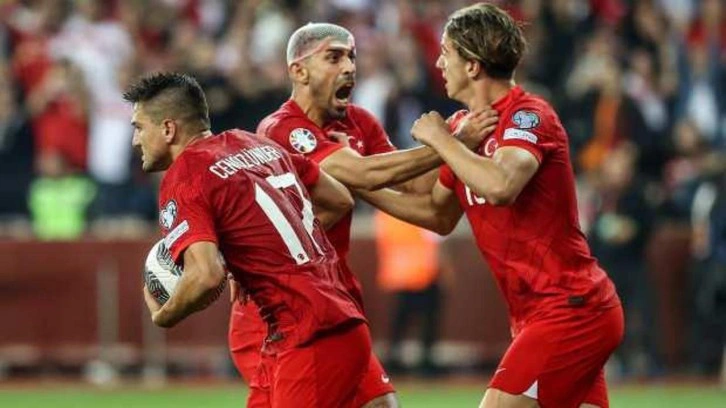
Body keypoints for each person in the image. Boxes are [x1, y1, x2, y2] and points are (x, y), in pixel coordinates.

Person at [362, 4, 624, 408]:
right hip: (539, 314)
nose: (438, 63)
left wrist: (443, 141)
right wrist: (356, 183)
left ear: (472, 65)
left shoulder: (529, 116)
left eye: (446, 53)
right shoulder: (464, 129)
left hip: (570, 308)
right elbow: (437, 213)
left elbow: (501, 185)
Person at [228, 22, 498, 408]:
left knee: (380, 404)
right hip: (275, 313)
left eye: (352, 57)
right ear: (298, 71)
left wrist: (459, 148)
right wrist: (449, 144)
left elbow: (418, 188)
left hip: (330, 303)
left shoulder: (359, 123)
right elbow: (363, 173)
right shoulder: (280, 129)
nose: (349, 67)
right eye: (334, 57)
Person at [127, 72, 370, 408]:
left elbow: (205, 275)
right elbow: (339, 200)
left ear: (168, 129)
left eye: (139, 127)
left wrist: (164, 315)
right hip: (311, 326)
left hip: (311, 334)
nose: (135, 141)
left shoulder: (186, 174)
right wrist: (261, 252)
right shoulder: (253, 142)